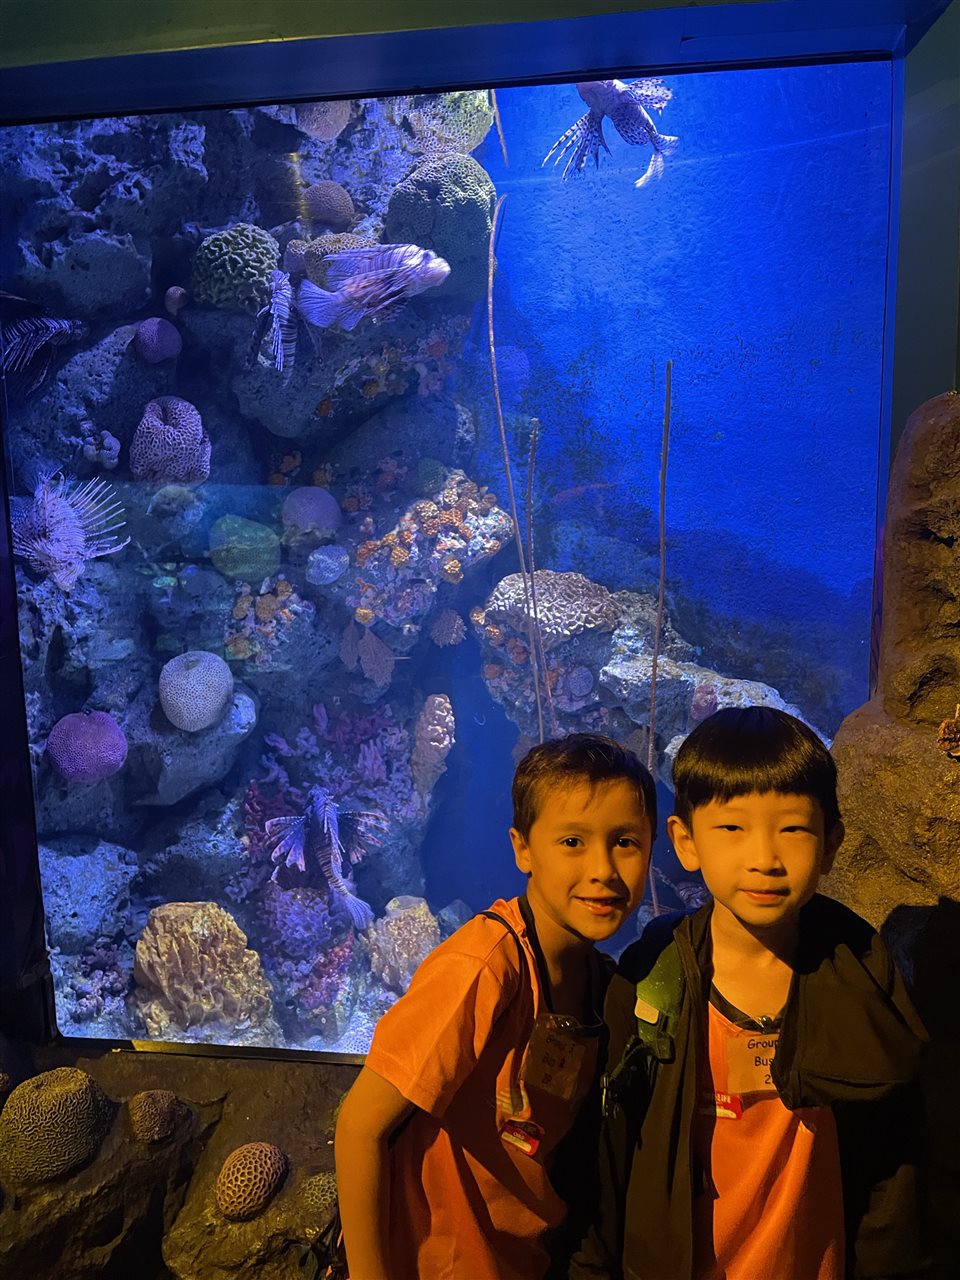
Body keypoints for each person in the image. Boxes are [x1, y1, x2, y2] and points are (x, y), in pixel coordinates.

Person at [571, 706, 929, 1280]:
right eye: (732, 829)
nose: (764, 859)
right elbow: (608, 1155)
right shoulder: (649, 981)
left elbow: (895, 1171)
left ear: (830, 843)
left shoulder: (863, 980)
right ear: (685, 842)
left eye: (792, 829)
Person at [335, 733, 656, 1280]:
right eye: (572, 842)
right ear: (522, 849)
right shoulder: (483, 966)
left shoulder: (598, 979)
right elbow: (360, 1127)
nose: (603, 868)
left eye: (625, 841)